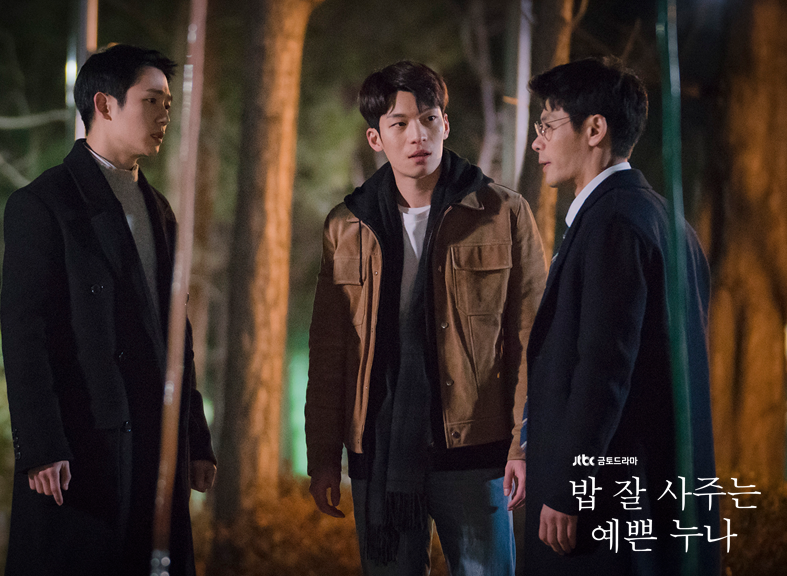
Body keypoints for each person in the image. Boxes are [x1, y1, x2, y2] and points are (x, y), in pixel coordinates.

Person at [305, 60, 546, 575]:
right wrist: (323, 454)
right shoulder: (347, 226)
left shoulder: (502, 213)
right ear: (376, 138)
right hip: (380, 452)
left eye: (429, 119)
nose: (418, 135)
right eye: (400, 124)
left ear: (446, 125)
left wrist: (523, 446)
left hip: (476, 451)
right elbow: (329, 352)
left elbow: (532, 339)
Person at [1, 44, 216, 576]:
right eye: (151, 100)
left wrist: (195, 438)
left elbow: (176, 334)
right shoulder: (44, 203)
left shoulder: (159, 209)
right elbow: (25, 333)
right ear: (104, 104)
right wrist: (41, 446)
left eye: (168, 103)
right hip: (83, 447)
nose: (165, 115)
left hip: (153, 445)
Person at [523, 57, 719, 575]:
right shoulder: (669, 222)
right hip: (654, 504)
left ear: (595, 129)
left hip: (606, 512)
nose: (537, 143)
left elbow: (602, 372)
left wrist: (568, 489)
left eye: (547, 125)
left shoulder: (612, 224)